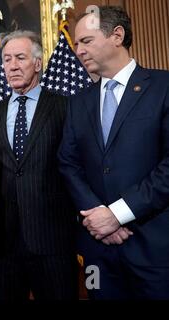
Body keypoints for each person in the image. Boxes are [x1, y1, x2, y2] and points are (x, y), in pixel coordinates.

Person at [58, 6, 169, 299]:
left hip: (154, 248)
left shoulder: (163, 87)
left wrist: (118, 214)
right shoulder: (78, 102)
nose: (78, 50)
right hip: (99, 250)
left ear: (117, 35)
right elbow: (68, 163)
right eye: (75, 43)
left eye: (86, 41)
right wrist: (99, 217)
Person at [0, 30, 78, 300]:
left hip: (53, 241)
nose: (12, 65)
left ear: (37, 63)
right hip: (3, 243)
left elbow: (77, 166)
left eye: (20, 58)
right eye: (7, 59)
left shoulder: (65, 108)